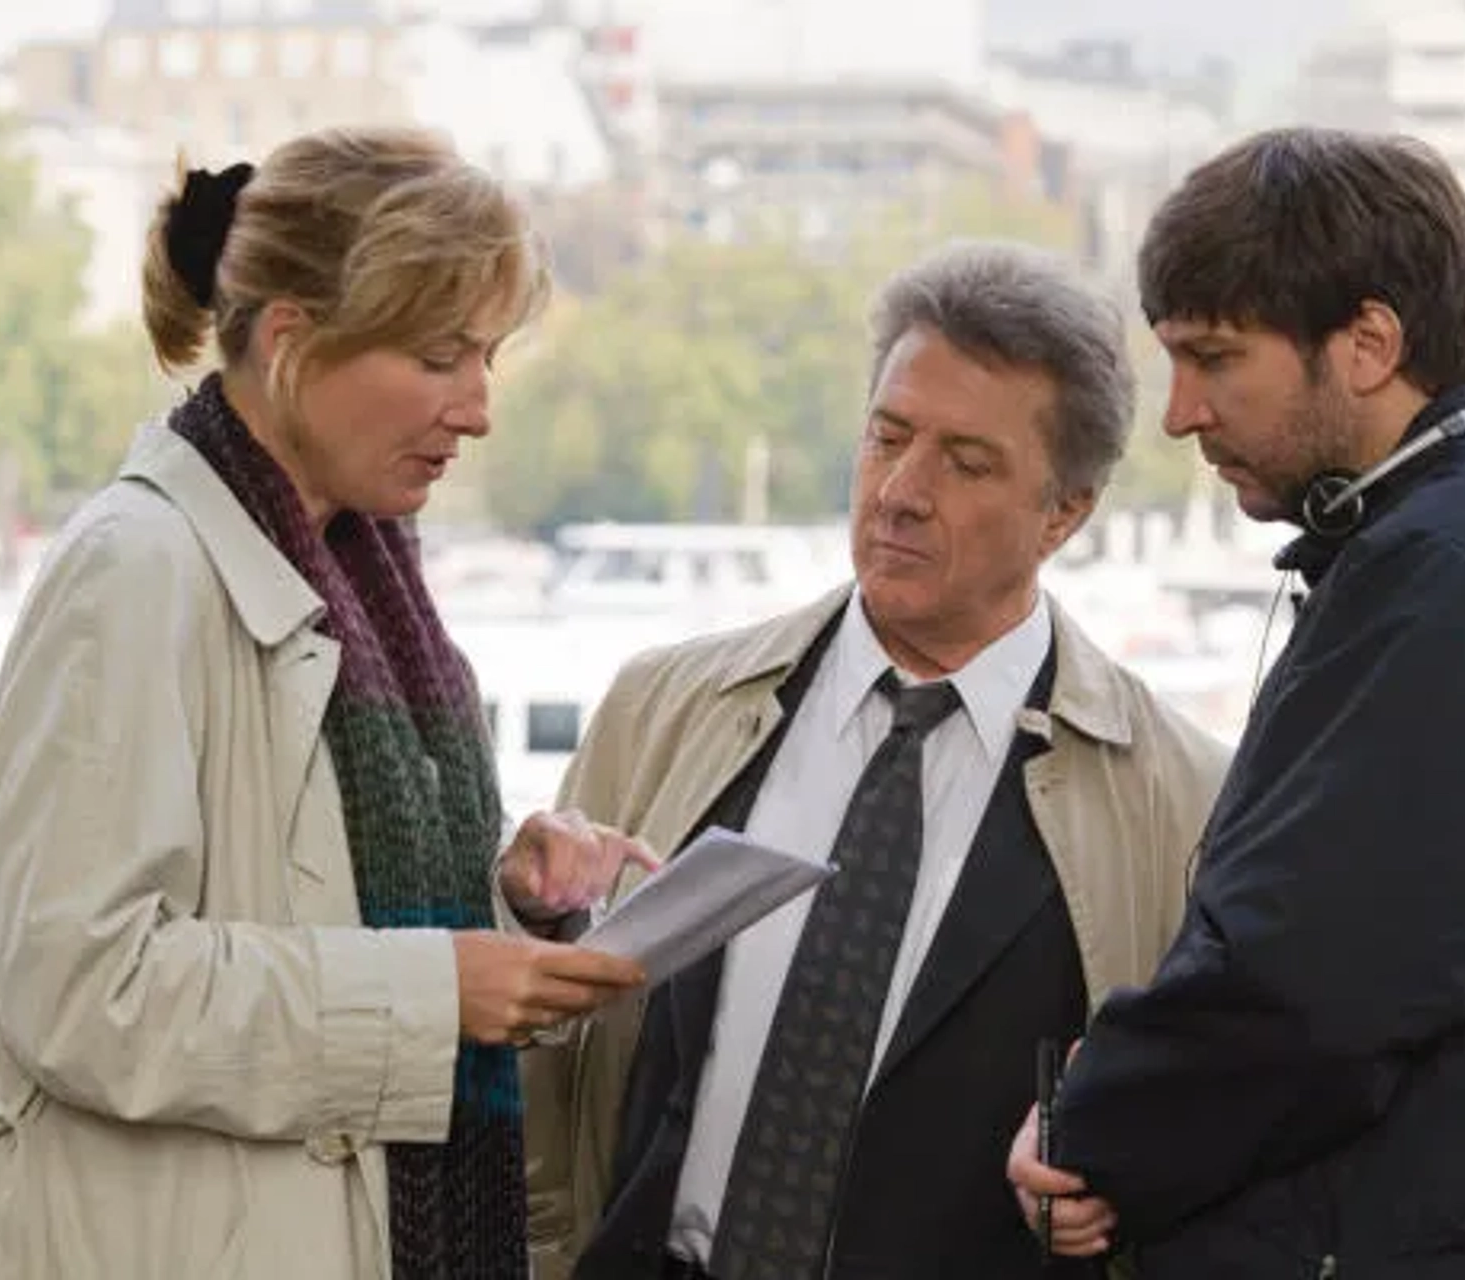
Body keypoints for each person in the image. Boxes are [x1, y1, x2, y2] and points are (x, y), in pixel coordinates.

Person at [0, 127, 645, 1280]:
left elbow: (319, 905)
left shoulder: (366, 579)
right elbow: (78, 990)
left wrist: (512, 903)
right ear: (289, 340)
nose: (478, 407)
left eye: (488, 357)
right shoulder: (135, 569)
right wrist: (439, 991)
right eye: (439, 356)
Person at [493, 240, 1232, 1280]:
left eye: (967, 462)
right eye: (887, 436)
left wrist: (1120, 1170)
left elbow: (1209, 1130)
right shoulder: (659, 709)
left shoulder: (1181, 798)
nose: (901, 490)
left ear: (1065, 512)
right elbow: (537, 1059)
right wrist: (530, 916)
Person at [1006, 126, 1465, 1278]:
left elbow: (1321, 982)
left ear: (1368, 343)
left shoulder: (1453, 568)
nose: (1180, 412)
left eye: (1215, 357)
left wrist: (1088, 1135)